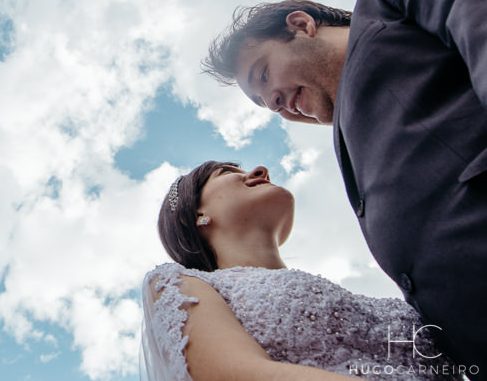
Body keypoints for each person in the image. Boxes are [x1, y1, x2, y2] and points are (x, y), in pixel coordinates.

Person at [201, 0, 487, 370]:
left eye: (263, 75)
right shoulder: (350, 150)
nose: (274, 103)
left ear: (301, 24)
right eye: (265, 105)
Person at [141, 161, 463, 381]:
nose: (258, 170)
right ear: (194, 215)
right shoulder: (180, 284)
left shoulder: (379, 301)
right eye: (227, 171)